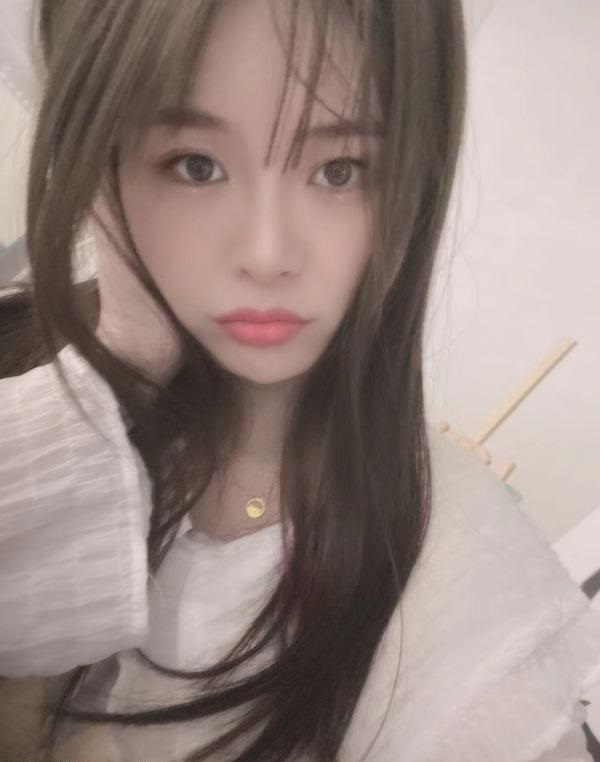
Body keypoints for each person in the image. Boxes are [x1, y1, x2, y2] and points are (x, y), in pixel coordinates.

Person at [0, 1, 599, 760]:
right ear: (97, 162)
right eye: (195, 165)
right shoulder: (23, 369)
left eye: (338, 170)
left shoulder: (469, 601)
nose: (268, 254)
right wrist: (126, 351)